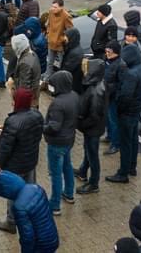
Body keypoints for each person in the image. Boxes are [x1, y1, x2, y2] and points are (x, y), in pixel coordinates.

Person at [0, 87, 43, 233]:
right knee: (30, 190)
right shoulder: (37, 116)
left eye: (14, 100)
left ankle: (11, 221)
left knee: (13, 193)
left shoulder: (13, 121)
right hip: (31, 162)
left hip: (15, 167)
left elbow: (5, 146)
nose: (12, 102)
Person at [107, 44, 141, 184]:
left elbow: (125, 96)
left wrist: (119, 108)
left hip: (127, 113)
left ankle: (123, 173)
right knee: (133, 140)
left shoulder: (131, 74)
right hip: (136, 110)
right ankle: (132, 167)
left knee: (125, 144)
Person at [0, 170, 59, 253]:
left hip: (40, 245)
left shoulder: (19, 207)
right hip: (52, 237)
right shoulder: (36, 188)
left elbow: (27, 237)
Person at [43, 70, 78, 215]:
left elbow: (54, 127)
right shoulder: (74, 96)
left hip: (57, 143)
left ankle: (54, 205)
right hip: (69, 140)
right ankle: (69, 193)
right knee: (67, 166)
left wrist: (42, 127)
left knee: (56, 174)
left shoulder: (57, 104)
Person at [76, 58, 107, 194]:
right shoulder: (97, 85)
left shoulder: (96, 92)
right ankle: (83, 171)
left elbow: (94, 116)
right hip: (92, 128)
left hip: (92, 129)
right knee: (88, 150)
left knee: (93, 155)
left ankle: (94, 183)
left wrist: (81, 125)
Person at [103, 41, 125, 155]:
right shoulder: (107, 61)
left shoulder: (120, 65)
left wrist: (112, 92)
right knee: (107, 118)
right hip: (106, 95)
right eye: (106, 51)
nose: (107, 53)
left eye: (109, 52)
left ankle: (115, 144)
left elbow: (121, 84)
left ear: (116, 52)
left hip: (113, 98)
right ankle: (109, 136)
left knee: (113, 121)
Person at [5, 35, 41, 101]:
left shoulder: (25, 63)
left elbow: (24, 88)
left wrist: (15, 96)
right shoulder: (33, 54)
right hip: (34, 94)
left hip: (27, 100)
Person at [45, 0, 72, 72]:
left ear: (61, 7)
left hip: (60, 44)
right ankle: (47, 77)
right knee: (49, 62)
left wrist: (62, 39)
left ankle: (60, 78)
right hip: (51, 42)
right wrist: (48, 33)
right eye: (52, 6)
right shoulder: (51, 12)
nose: (53, 9)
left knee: (61, 64)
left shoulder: (66, 16)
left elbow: (70, 31)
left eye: (55, 7)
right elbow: (48, 24)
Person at [57, 27, 86, 94]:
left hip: (72, 84)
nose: (64, 38)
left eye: (66, 36)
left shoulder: (75, 53)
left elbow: (67, 69)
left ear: (71, 37)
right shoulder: (73, 47)